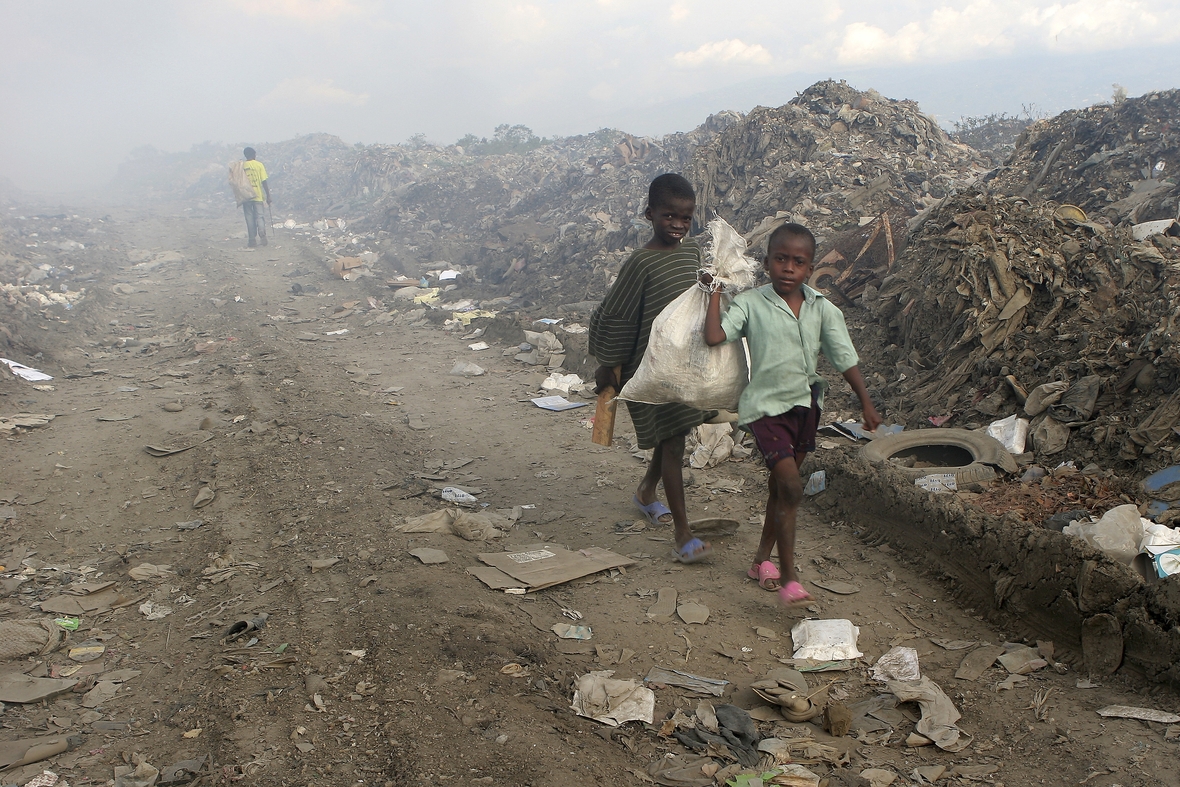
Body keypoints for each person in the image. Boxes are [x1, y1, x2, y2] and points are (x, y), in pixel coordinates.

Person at [704, 222, 881, 605]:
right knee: (792, 487)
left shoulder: (823, 308)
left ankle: (760, 562)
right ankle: (788, 575)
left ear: (810, 267)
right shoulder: (751, 303)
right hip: (765, 410)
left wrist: (865, 402)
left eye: (798, 262)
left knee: (780, 490)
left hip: (805, 408)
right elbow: (715, 336)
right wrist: (716, 290)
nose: (788, 268)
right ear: (767, 263)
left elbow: (844, 358)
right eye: (780, 259)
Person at [589, 173, 713, 564]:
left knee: (674, 434)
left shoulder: (692, 253)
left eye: (685, 218)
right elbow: (616, 315)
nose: (677, 225)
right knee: (673, 440)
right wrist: (609, 365)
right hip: (651, 369)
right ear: (650, 215)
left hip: (686, 366)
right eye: (669, 216)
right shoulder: (640, 263)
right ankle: (683, 534)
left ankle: (646, 492)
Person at [241, 147, 271, 248]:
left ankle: (252, 240)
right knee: (260, 216)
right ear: (254, 154)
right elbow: (264, 182)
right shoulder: (259, 165)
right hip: (258, 196)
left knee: (249, 217)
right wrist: (268, 195)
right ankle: (262, 235)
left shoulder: (242, 167)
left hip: (246, 197)